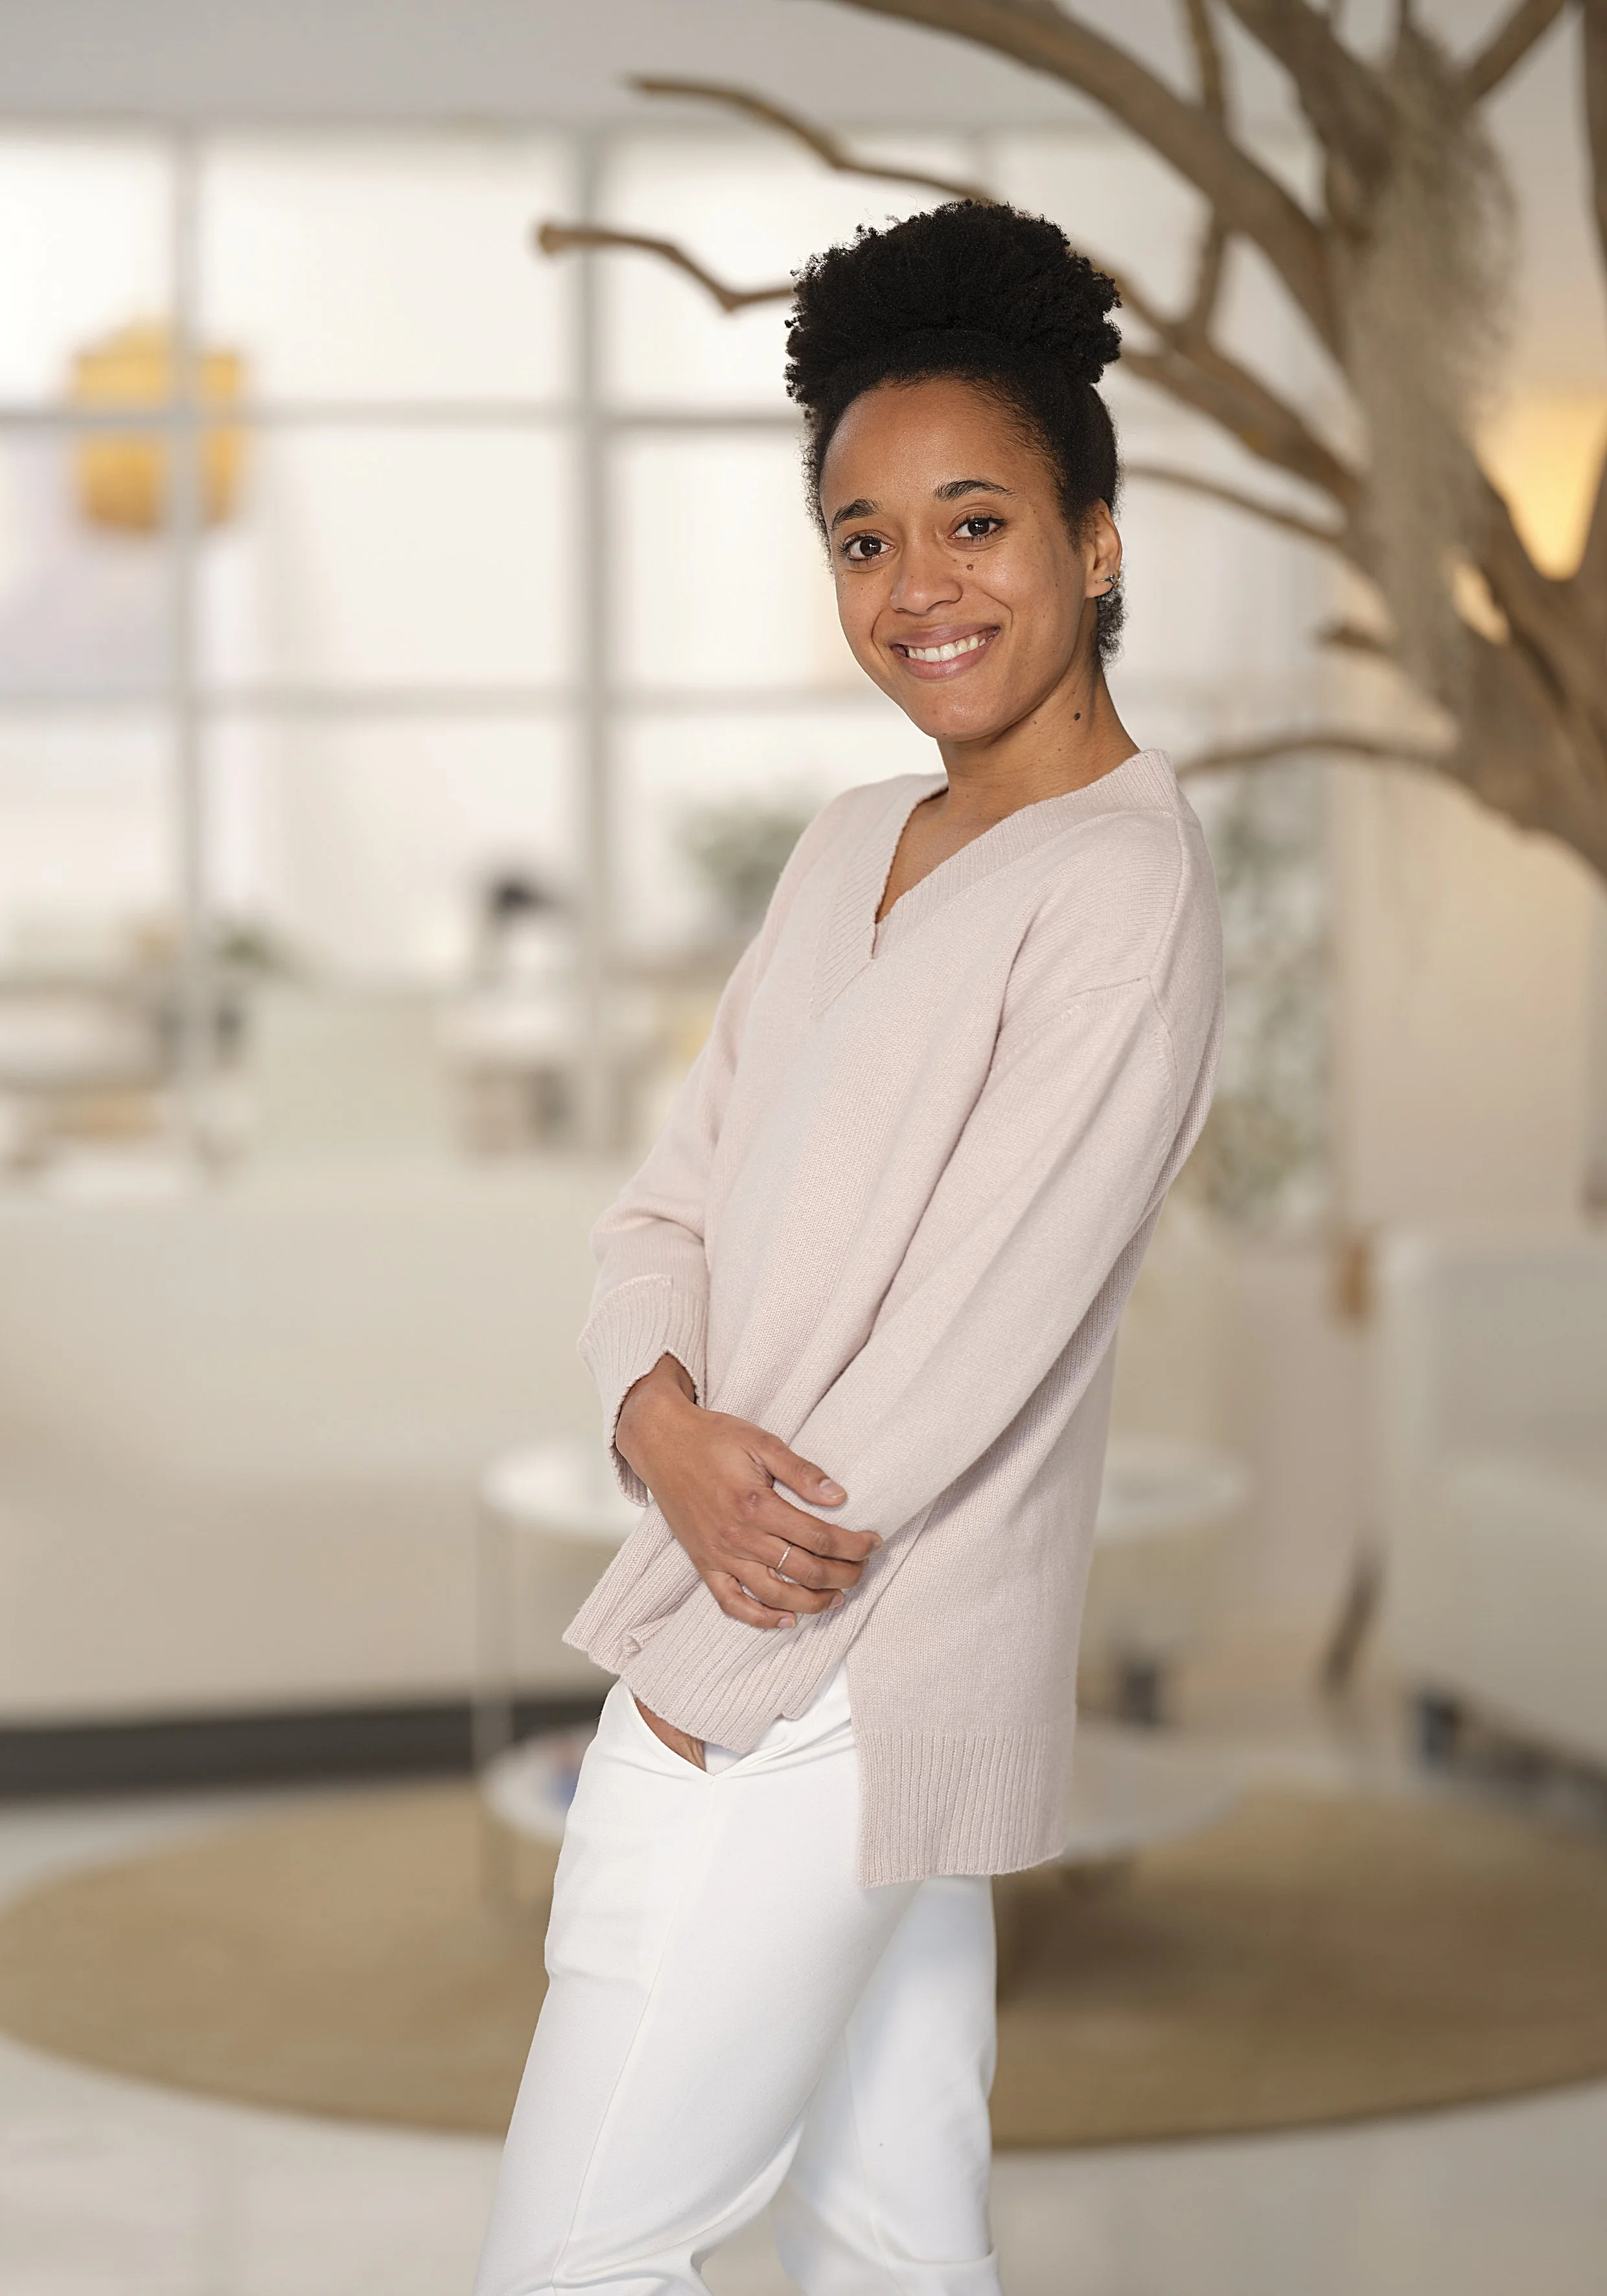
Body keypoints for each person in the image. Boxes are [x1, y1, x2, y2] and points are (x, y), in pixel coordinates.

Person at [473, 200, 1224, 2296]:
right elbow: (668, 1201)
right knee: (897, 2241)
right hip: (791, 1625)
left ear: (1094, 538)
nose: (918, 587)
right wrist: (657, 1415)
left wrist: (723, 1618)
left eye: (974, 520)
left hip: (819, 1666)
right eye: (864, 538)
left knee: (571, 2255)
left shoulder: (1121, 894)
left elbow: (976, 1340)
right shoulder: (844, 847)